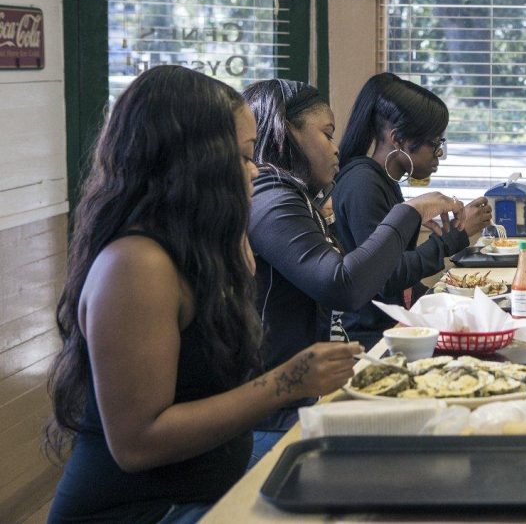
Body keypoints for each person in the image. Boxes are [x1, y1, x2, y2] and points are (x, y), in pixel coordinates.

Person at [46, 66, 362, 523]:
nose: (256, 171)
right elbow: (138, 441)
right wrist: (285, 382)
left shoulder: (203, 248)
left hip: (205, 491)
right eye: (245, 156)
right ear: (195, 160)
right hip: (140, 511)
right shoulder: (137, 263)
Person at [243, 79, 461, 462]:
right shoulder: (272, 198)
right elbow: (343, 284)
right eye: (326, 134)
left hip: (306, 395)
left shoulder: (295, 197)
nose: (336, 146)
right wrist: (409, 213)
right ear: (286, 131)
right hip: (274, 421)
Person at [334, 73, 492, 348]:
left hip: (394, 325)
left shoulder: (383, 180)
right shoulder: (363, 185)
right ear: (398, 140)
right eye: (434, 143)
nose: (439, 154)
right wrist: (452, 239)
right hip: (373, 337)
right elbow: (385, 277)